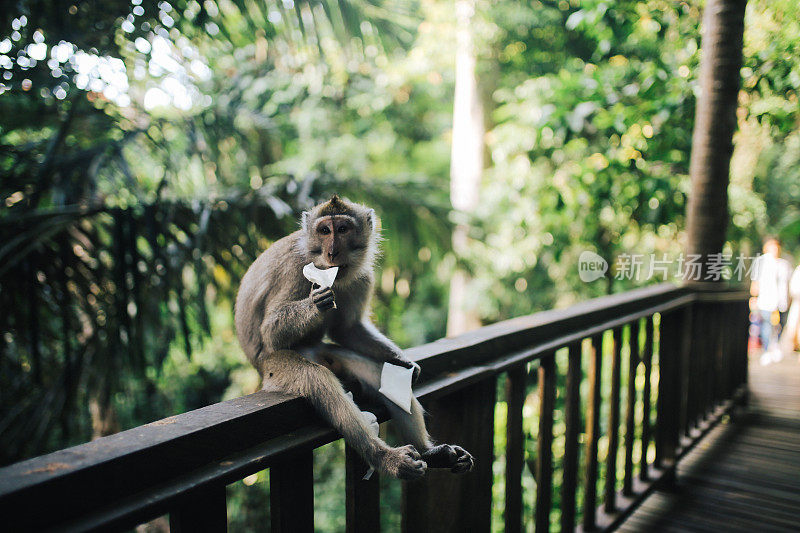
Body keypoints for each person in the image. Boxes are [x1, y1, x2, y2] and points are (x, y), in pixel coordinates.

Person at [750, 237, 793, 364]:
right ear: (766, 248)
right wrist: (754, 297)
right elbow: (755, 282)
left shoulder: (785, 264)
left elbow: (788, 284)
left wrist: (789, 299)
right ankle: (767, 350)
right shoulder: (760, 262)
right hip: (766, 301)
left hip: (782, 302)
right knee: (767, 326)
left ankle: (774, 347)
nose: (775, 249)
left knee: (780, 326)